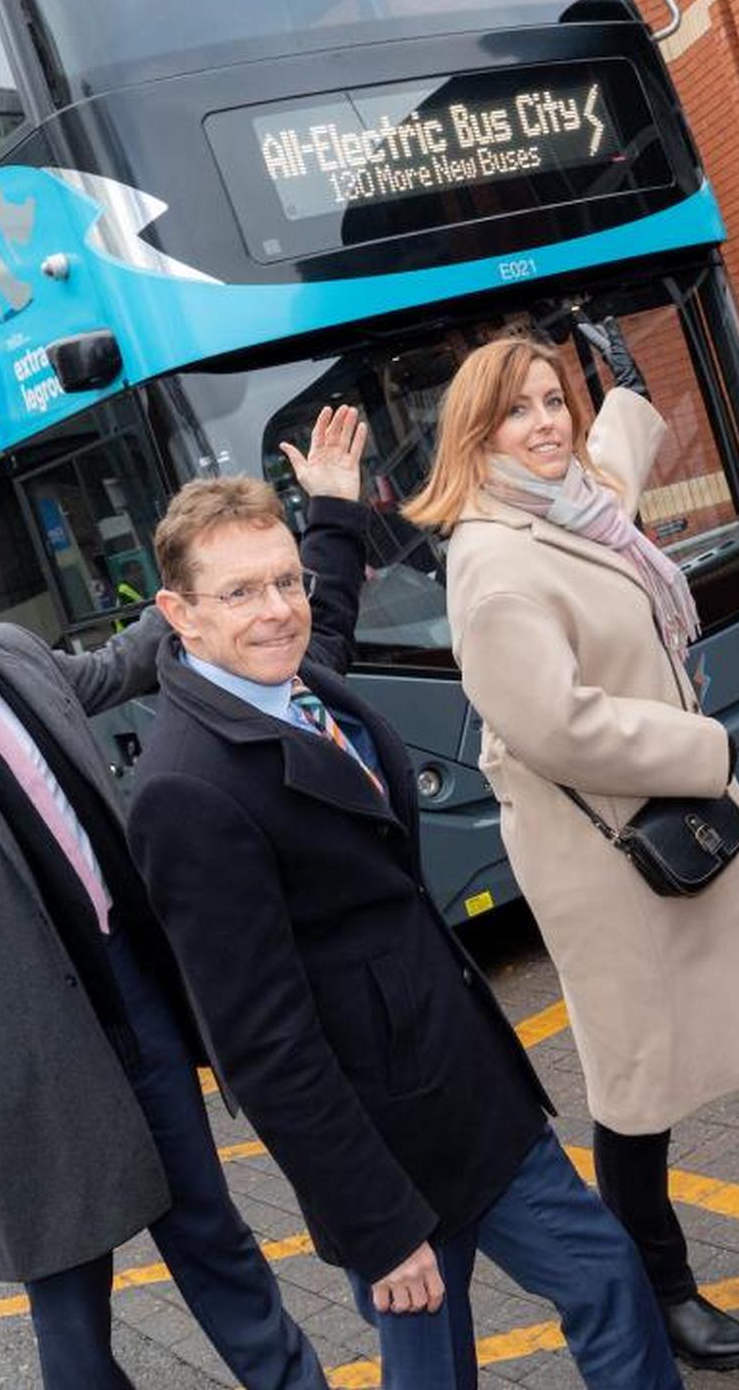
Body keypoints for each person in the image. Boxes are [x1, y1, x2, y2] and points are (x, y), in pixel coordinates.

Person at [0, 409, 372, 1390]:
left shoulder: (13, 656)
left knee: (213, 1237)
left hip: (135, 1004)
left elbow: (125, 663)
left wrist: (205, 578)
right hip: (15, 1058)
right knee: (71, 1304)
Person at [405, 334, 739, 1371]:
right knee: (636, 1082)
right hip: (605, 854)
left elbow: (615, 459)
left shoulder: (574, 505)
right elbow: (553, 725)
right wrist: (706, 745)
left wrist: (621, 377)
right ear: (476, 434)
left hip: (680, 816)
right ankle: (660, 1281)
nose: (546, 424)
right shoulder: (493, 562)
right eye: (517, 412)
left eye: (554, 400)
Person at [126, 477, 681, 1390]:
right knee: (435, 1368)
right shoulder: (187, 792)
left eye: (287, 581)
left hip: (470, 1093)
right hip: (383, 1151)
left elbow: (323, 628)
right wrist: (379, 1227)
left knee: (607, 1277)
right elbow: (261, 1049)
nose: (277, 611)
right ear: (178, 614)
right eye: (240, 593)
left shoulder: (305, 685)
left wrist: (336, 519)